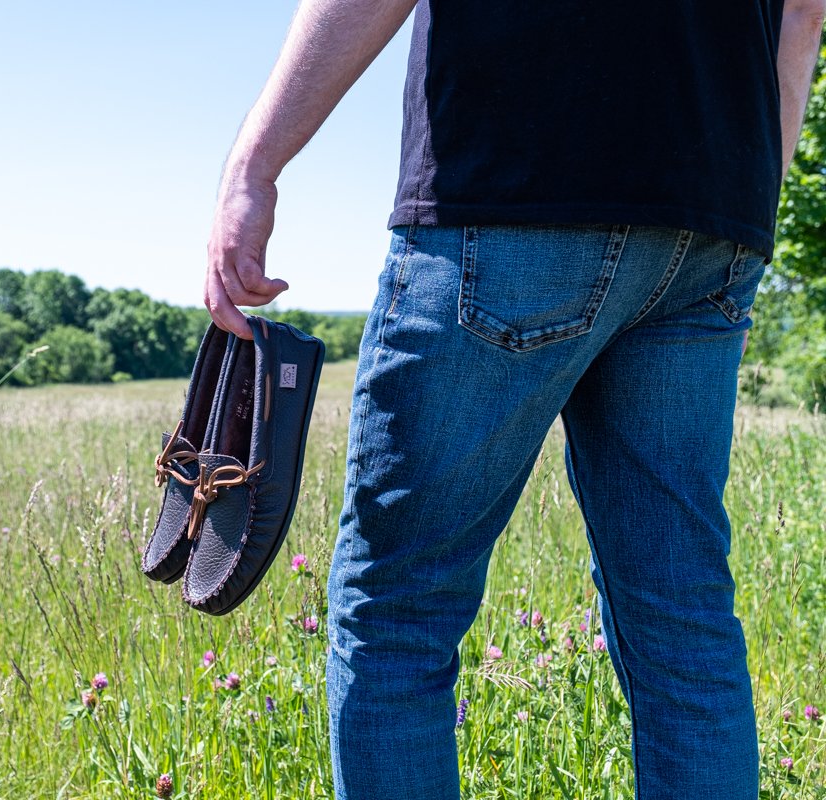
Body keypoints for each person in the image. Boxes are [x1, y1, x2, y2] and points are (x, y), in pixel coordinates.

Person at [202, 1, 826, 798]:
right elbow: (803, 10)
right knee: (682, 620)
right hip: (713, 220)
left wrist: (253, 166)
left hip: (512, 179)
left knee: (399, 613)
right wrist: (747, 207)